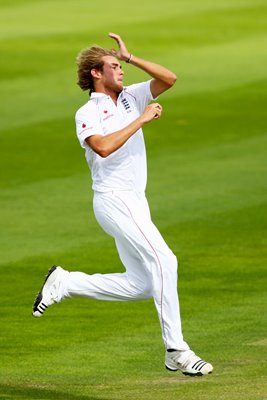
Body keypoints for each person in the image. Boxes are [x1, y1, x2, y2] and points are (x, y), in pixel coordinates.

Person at [32, 33, 213, 376]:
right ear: (96, 74)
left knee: (143, 284)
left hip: (136, 202)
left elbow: (169, 78)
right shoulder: (87, 112)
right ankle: (177, 349)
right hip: (113, 199)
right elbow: (102, 147)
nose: (121, 71)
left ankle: (67, 283)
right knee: (165, 260)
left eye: (121, 66)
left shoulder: (130, 96)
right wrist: (141, 120)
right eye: (114, 66)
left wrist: (131, 58)